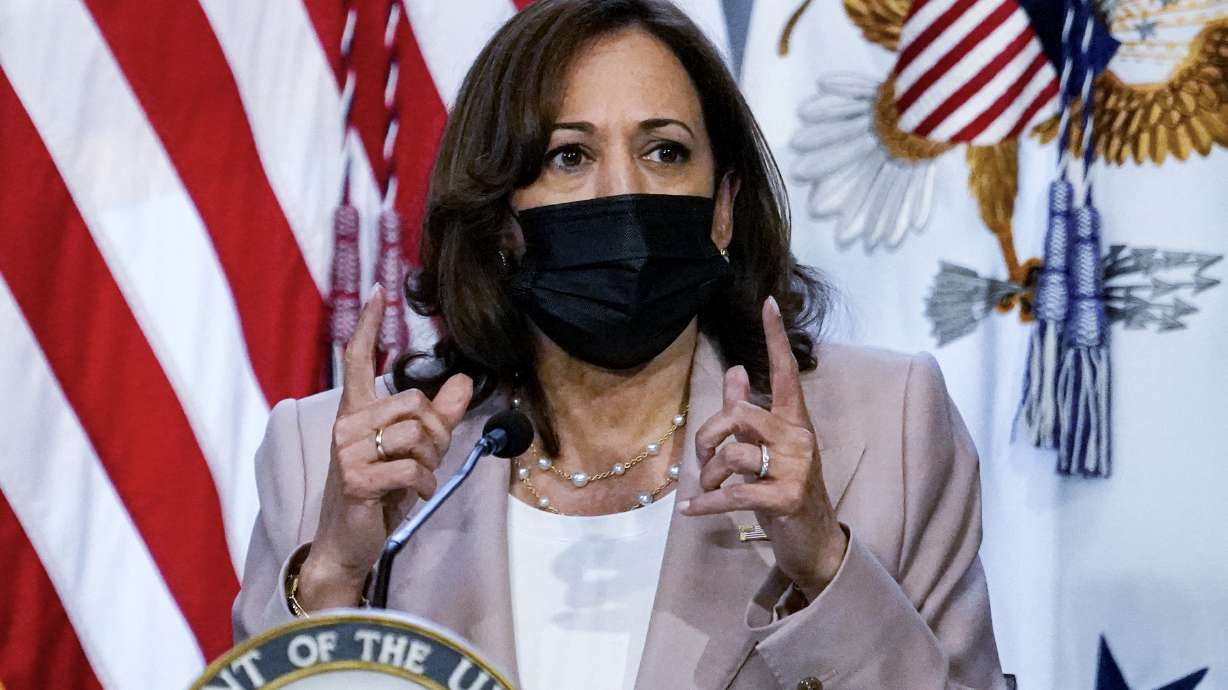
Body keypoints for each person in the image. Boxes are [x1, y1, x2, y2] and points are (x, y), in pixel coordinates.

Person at [233, 1, 1008, 688]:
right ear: (503, 215)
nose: (620, 191)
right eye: (569, 156)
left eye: (664, 151)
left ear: (723, 209)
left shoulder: (885, 429)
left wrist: (825, 569)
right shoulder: (327, 460)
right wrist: (333, 574)